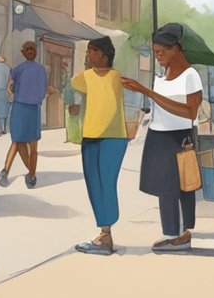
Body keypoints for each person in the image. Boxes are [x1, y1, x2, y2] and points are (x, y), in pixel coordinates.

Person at [122, 23, 203, 253]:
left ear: (176, 49)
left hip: (179, 137)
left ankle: (181, 235)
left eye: (161, 52)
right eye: (155, 52)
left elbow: (191, 112)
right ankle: (173, 234)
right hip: (158, 134)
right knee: (163, 187)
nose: (158, 57)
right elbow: (158, 107)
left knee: (180, 186)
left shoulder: (191, 76)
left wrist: (147, 92)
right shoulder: (161, 76)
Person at [71, 37, 128, 255]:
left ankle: (106, 233)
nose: (88, 55)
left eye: (92, 52)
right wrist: (87, 66)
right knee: (94, 184)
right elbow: (75, 82)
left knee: (107, 182)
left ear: (104, 54)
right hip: (91, 136)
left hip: (113, 138)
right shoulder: (86, 76)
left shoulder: (115, 77)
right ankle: (104, 234)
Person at [0, 41, 47, 189]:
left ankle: (14, 172)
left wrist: (14, 91)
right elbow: (11, 86)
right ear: (23, 52)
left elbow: (10, 87)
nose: (31, 51)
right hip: (23, 107)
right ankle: (29, 175)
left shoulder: (34, 69)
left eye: (33, 49)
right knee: (20, 141)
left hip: (28, 108)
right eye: (28, 49)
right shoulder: (22, 69)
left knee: (27, 143)